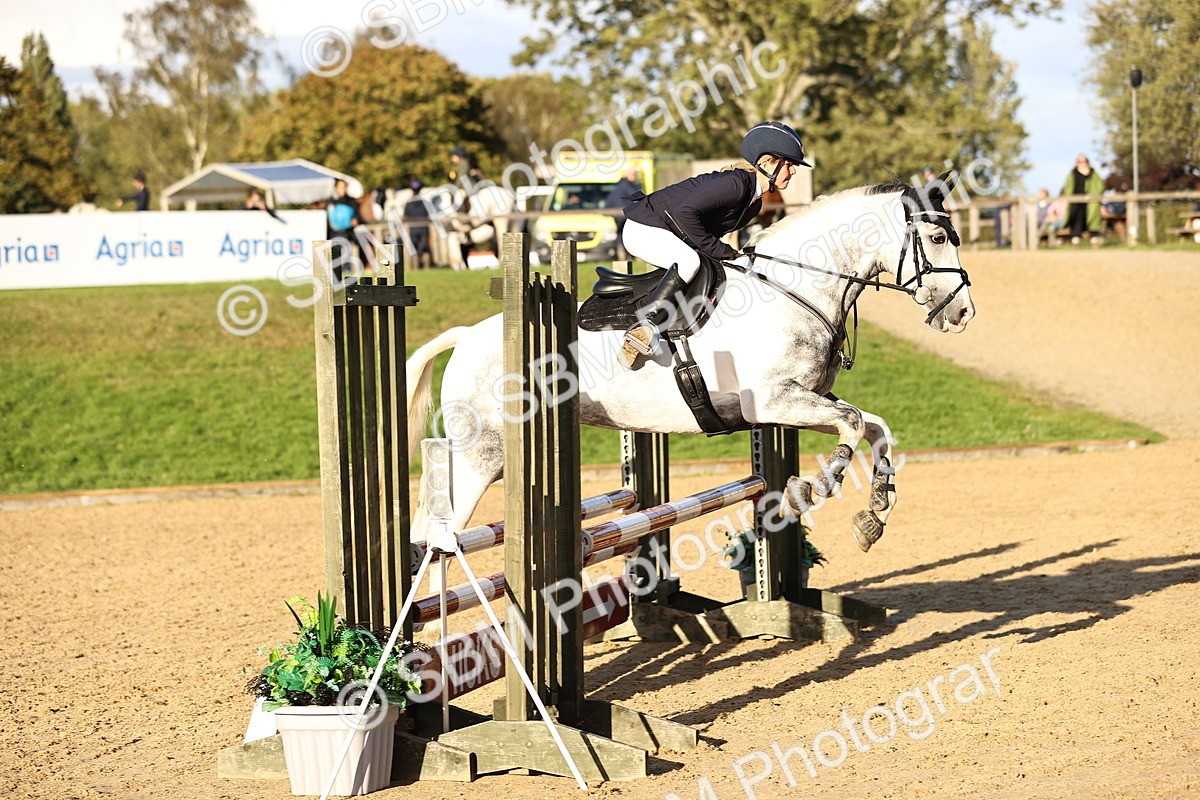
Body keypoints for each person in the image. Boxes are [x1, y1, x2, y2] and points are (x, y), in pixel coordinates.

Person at [617, 121, 810, 367]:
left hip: (666, 231)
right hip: (644, 228)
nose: (793, 172)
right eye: (789, 164)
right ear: (766, 163)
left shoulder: (754, 204)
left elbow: (705, 235)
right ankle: (644, 328)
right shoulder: (735, 183)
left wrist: (731, 256)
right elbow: (684, 213)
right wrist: (726, 253)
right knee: (689, 262)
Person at [1062, 154, 1105, 245]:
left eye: (1084, 161)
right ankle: (1076, 236)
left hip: (1091, 201)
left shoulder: (1093, 173)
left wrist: (1096, 196)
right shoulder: (1072, 173)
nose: (1082, 164)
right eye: (1079, 162)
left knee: (1093, 217)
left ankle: (1094, 236)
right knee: (1077, 216)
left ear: (1087, 162)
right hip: (1075, 201)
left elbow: (1100, 186)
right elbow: (1067, 187)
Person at [325, 178, 361, 281]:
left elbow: (357, 215)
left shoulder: (351, 201)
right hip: (333, 233)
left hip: (347, 233)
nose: (342, 189)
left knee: (346, 254)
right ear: (336, 188)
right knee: (334, 255)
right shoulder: (331, 201)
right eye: (340, 187)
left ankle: (346, 274)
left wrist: (355, 220)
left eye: (344, 187)